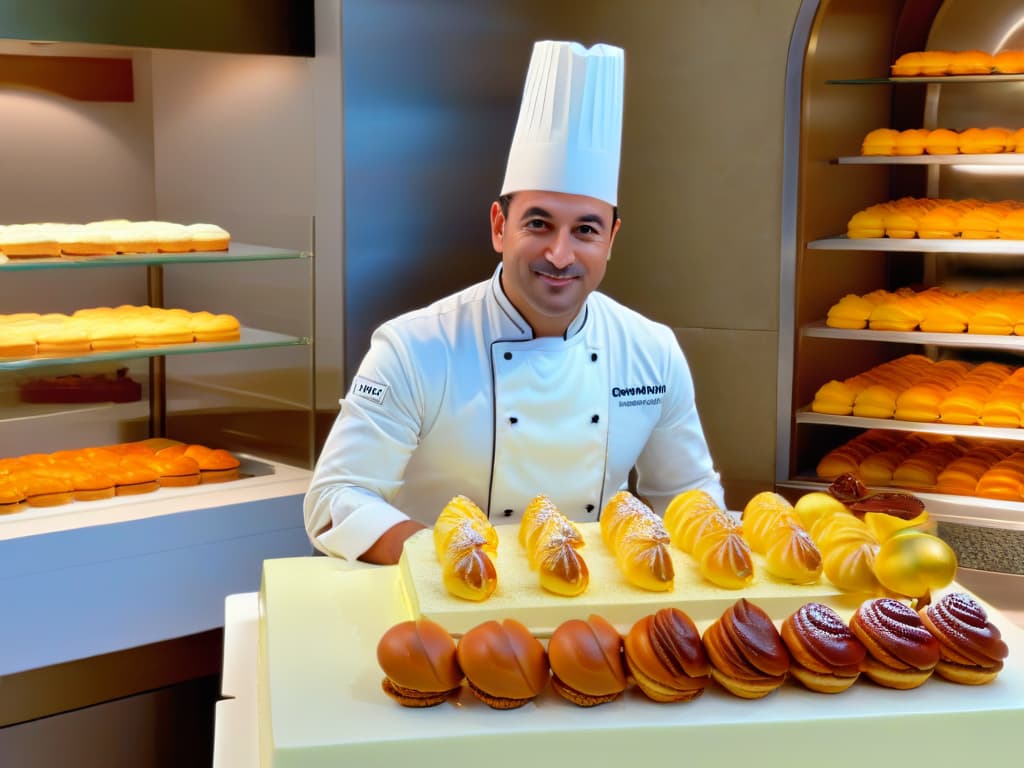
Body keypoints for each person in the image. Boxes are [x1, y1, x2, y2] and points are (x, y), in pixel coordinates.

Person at [305, 40, 724, 564]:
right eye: (539, 223)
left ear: (611, 241)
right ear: (500, 227)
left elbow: (689, 497)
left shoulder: (651, 350)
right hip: (443, 616)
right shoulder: (414, 347)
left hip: (592, 620)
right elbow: (333, 500)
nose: (560, 253)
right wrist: (450, 558)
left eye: (585, 230)